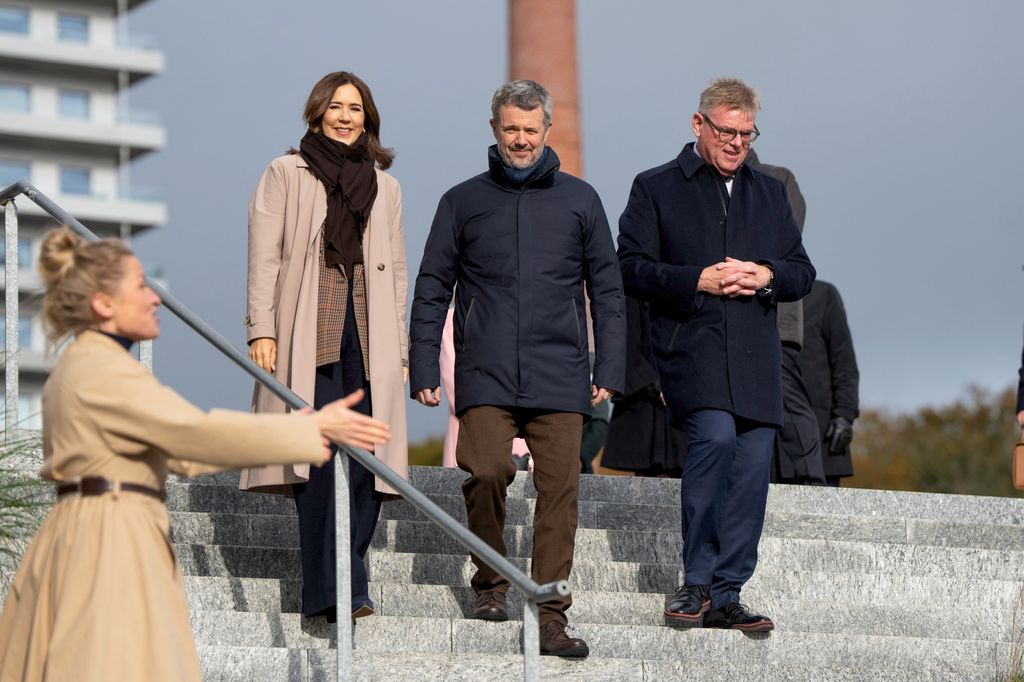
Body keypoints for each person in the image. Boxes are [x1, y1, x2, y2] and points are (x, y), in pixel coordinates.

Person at [0, 228, 391, 682]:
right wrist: (310, 429)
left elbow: (182, 450)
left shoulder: (86, 365)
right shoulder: (102, 370)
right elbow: (193, 435)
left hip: (97, 531)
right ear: (104, 304)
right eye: (139, 286)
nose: (154, 297)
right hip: (107, 543)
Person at [409, 80, 625, 657]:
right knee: (484, 471)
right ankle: (490, 582)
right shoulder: (461, 201)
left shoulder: (581, 200)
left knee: (561, 490)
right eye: (511, 129)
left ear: (547, 130)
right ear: (494, 129)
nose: (521, 139)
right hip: (486, 370)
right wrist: (423, 364)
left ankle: (550, 615)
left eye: (531, 129)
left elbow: (608, 288)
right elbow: (432, 286)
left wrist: (611, 365)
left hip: (560, 371)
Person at [617, 77, 815, 632]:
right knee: (717, 440)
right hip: (692, 350)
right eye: (727, 132)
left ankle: (729, 593)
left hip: (755, 356)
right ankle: (697, 583)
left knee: (752, 468)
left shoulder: (770, 192)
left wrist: (767, 275)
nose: (737, 144)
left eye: (747, 135)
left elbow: (802, 271)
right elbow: (628, 266)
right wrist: (695, 280)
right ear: (698, 124)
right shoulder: (655, 187)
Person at [239, 71, 409, 622]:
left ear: (368, 119)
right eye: (336, 106)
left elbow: (396, 272)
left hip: (369, 332)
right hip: (305, 329)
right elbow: (264, 258)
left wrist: (401, 350)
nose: (345, 117)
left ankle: (343, 581)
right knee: (316, 455)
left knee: (366, 461)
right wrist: (261, 329)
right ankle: (340, 589)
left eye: (355, 109)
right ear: (317, 113)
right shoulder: (285, 172)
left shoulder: (385, 187)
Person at [745, 149, 826, 485]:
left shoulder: (778, 179)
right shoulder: (703, 186)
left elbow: (785, 242)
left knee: (787, 401)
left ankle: (811, 483)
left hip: (774, 317)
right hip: (726, 323)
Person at [601, 296, 688, 478]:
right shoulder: (633, 294)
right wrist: (657, 386)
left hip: (681, 394)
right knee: (649, 475)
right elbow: (625, 344)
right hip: (645, 401)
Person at [798, 280, 860, 486]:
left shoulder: (823, 295)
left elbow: (844, 362)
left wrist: (845, 415)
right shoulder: (758, 296)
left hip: (823, 433)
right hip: (774, 439)